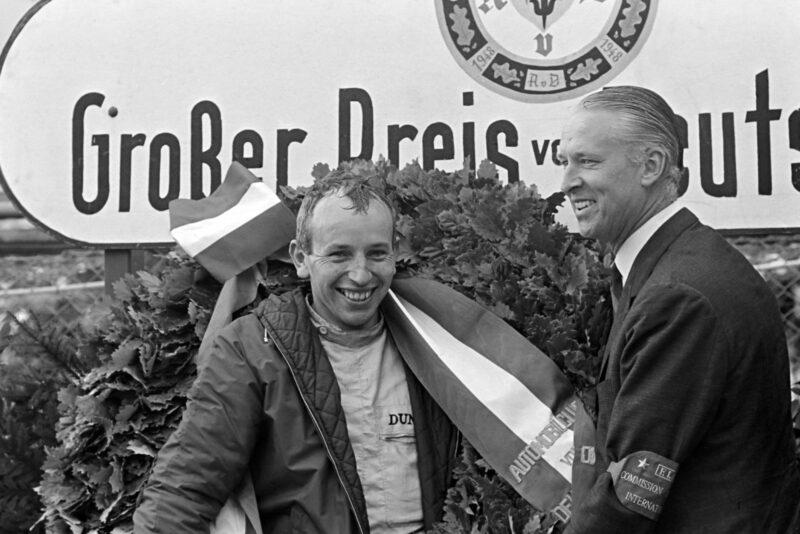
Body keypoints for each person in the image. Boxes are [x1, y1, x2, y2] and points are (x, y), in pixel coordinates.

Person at [133, 170, 458, 533]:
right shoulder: (250, 349)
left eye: (377, 254)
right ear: (301, 258)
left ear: (395, 255)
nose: (361, 275)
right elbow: (186, 487)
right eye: (339, 255)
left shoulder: (437, 334)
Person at [557, 86, 800, 532]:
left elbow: (632, 491)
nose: (567, 181)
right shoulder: (680, 263)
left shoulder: (678, 295)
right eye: (564, 162)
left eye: (587, 161)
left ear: (651, 166)